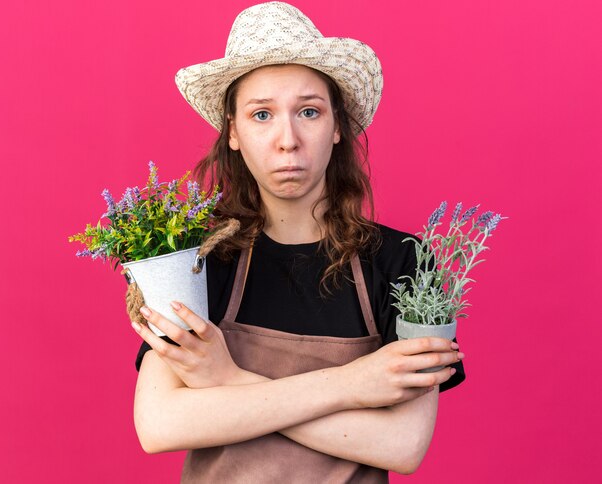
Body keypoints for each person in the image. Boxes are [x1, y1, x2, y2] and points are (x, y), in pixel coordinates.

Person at [131, 2, 465, 482]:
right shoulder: (199, 260)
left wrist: (227, 381)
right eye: (262, 114)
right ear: (234, 134)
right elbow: (160, 424)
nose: (288, 139)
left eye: (309, 111)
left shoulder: (404, 263)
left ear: (336, 127)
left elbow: (403, 444)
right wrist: (354, 384)